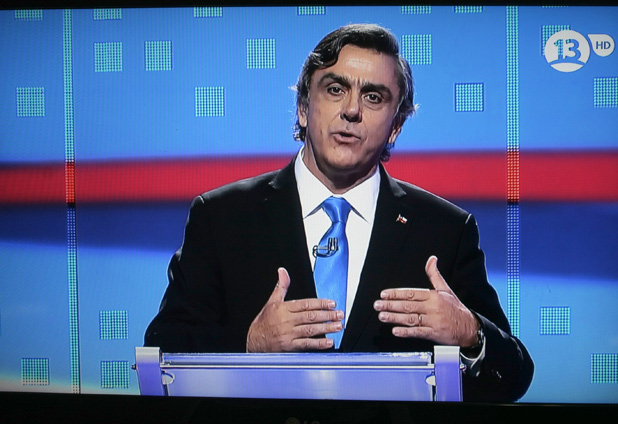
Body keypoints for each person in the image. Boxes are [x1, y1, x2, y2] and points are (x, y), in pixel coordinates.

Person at [145, 23, 533, 402]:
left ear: (395, 126)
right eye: (335, 89)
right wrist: (249, 344)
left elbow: (514, 376)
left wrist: (470, 334)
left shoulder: (445, 230)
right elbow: (164, 351)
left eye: (374, 97)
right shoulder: (222, 218)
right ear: (303, 107)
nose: (351, 110)